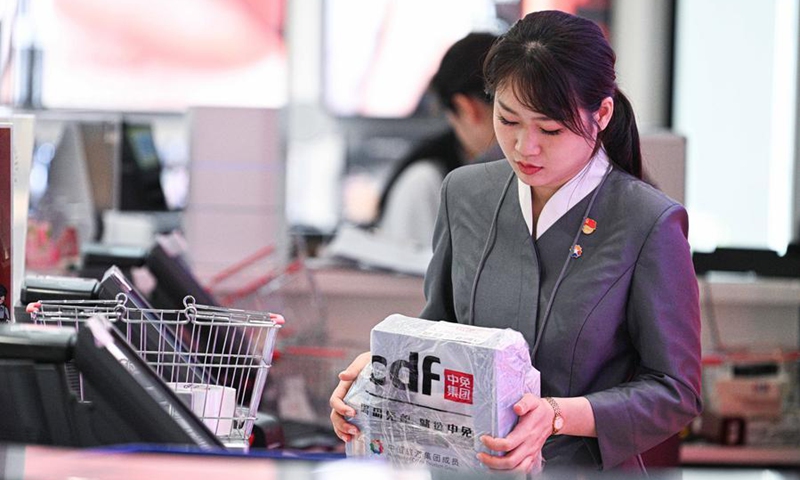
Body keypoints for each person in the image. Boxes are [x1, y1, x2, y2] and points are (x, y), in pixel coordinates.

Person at [330, 10, 702, 474]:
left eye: (551, 129)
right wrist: (381, 376)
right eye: (508, 121)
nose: (526, 147)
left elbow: (675, 391)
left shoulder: (648, 220)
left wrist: (557, 415)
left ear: (602, 114)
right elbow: (438, 334)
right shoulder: (465, 193)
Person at [373, 32, 502, 250]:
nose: (525, 141)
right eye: (509, 118)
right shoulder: (424, 183)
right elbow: (417, 269)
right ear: (467, 108)